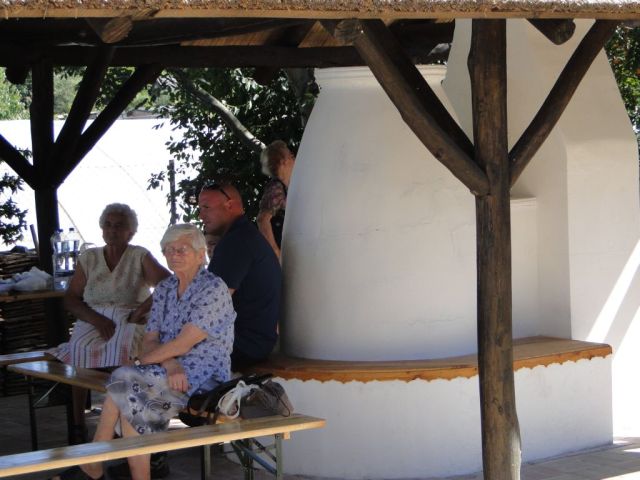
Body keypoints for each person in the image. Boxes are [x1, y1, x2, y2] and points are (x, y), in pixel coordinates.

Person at [51, 224, 236, 480]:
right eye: (168, 250)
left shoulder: (213, 289)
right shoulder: (165, 288)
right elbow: (149, 339)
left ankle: (95, 460)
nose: (174, 255)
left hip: (205, 373)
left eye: (182, 249)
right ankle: (103, 464)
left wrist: (146, 360)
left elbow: (183, 345)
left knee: (125, 381)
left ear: (200, 254)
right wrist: (169, 363)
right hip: (167, 368)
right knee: (129, 391)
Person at [48, 203, 170, 440]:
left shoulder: (139, 255)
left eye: (119, 226)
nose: (112, 230)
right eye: (108, 225)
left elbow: (168, 284)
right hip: (94, 318)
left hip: (129, 317)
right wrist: (96, 319)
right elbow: (71, 299)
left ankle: (124, 422)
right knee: (78, 348)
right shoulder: (89, 257)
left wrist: (141, 311)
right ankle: (78, 423)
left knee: (122, 352)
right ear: (102, 228)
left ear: (130, 232)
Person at [198, 181, 281, 371]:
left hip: (243, 346)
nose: (201, 215)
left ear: (230, 205)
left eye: (206, 207)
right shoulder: (243, 235)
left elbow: (210, 305)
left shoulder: (237, 241)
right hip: (253, 344)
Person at [257, 140, 295, 259]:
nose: (295, 159)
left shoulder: (291, 186)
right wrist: (275, 252)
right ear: (283, 161)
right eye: (291, 155)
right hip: (285, 253)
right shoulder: (276, 188)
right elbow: (262, 219)